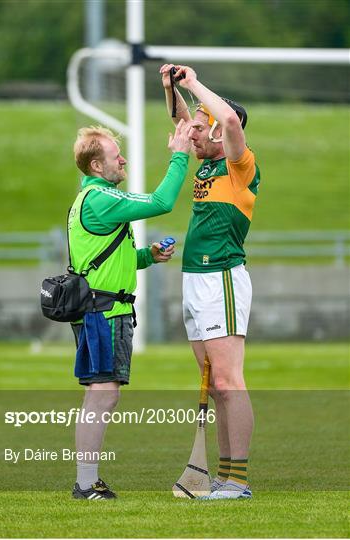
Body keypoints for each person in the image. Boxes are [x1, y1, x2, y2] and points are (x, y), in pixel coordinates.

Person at [69, 120, 192, 500]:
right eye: (114, 156)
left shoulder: (92, 200)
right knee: (102, 393)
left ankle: (87, 481)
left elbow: (107, 261)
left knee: (102, 392)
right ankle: (86, 484)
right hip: (102, 313)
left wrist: (148, 257)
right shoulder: (102, 199)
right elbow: (162, 202)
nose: (122, 160)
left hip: (100, 309)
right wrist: (180, 155)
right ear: (96, 166)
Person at [160, 64, 261, 500]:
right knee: (215, 386)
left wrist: (193, 82)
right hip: (194, 279)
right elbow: (182, 121)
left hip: (221, 276)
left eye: (203, 128)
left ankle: (237, 481)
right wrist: (170, 90)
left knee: (228, 381)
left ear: (221, 133)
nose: (193, 134)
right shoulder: (205, 165)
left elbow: (232, 120)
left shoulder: (240, 165)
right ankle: (224, 476)